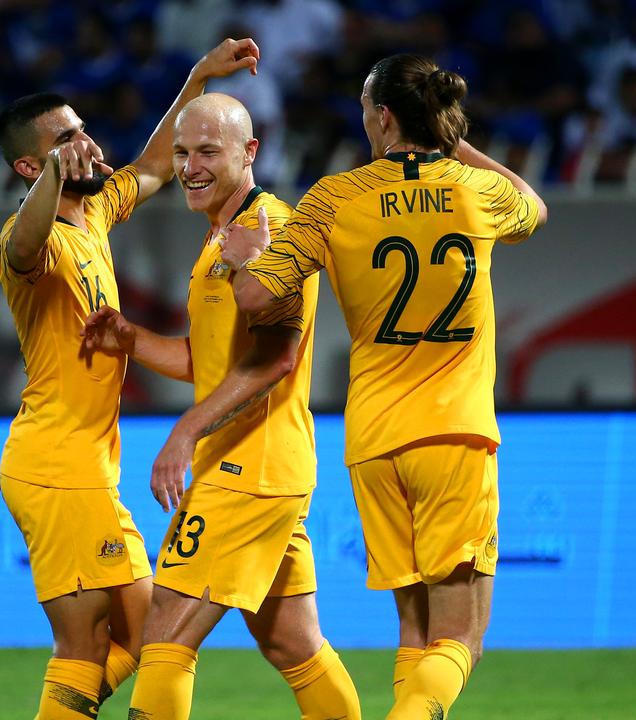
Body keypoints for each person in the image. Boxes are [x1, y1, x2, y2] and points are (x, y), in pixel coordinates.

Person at [223, 54, 547, 720]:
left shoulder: (334, 199)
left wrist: (240, 262)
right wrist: (454, 143)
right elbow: (535, 209)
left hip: (373, 441)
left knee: (416, 632)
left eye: (366, 107)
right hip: (455, 435)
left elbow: (256, 297)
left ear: (383, 115)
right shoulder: (470, 189)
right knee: (461, 639)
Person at [0, 38, 260, 719]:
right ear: (32, 164)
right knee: (95, 646)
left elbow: (150, 165)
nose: (83, 144)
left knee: (142, 640)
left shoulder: (96, 215)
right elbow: (24, 243)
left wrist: (198, 78)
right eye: (63, 141)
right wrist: (50, 176)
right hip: (56, 465)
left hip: (84, 465)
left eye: (81, 132)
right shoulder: (31, 240)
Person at [80, 93, 361, 720]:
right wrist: (130, 337)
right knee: (294, 644)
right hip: (261, 469)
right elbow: (206, 362)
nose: (189, 166)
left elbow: (276, 359)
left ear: (250, 153)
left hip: (246, 469)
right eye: (181, 152)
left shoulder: (276, 233)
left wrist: (185, 431)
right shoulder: (221, 240)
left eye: (208, 151)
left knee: (164, 639)